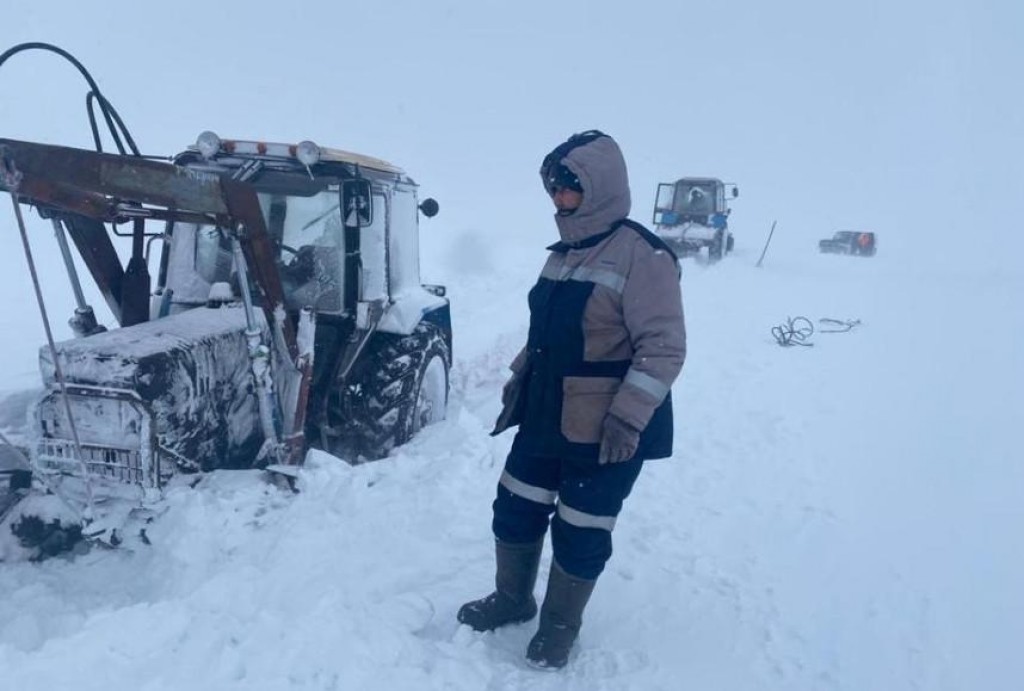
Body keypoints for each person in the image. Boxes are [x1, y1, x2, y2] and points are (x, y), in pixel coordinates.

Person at [457, 130, 687, 668]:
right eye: (555, 190)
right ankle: (513, 600)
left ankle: (560, 624)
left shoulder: (643, 255)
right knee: (514, 508)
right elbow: (550, 333)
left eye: (570, 190)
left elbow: (664, 347)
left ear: (599, 188)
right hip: (545, 414)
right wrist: (520, 377)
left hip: (606, 426)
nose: (559, 200)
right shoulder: (563, 254)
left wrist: (628, 418)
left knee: (581, 528)